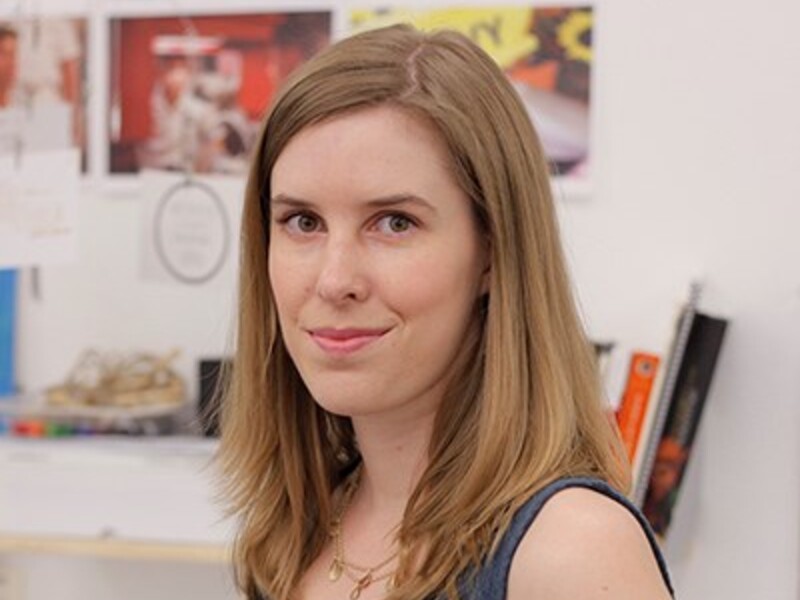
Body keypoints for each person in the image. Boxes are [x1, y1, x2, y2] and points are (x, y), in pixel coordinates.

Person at [217, 24, 674, 600]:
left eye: (394, 223)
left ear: (492, 251)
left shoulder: (569, 550)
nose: (334, 281)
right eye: (302, 222)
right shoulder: (297, 530)